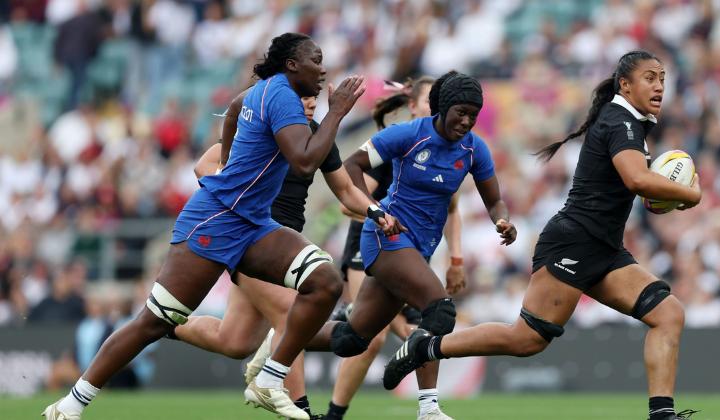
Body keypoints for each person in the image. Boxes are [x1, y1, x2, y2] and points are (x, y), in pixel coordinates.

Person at [43, 32, 386, 420]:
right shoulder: (281, 97)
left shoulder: (264, 91)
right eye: (315, 59)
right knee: (153, 322)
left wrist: (228, 155)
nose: (323, 69)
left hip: (256, 225)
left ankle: (270, 379)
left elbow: (236, 109)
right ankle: (70, 406)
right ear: (292, 65)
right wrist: (338, 110)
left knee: (323, 283)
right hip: (217, 221)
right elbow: (304, 161)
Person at [382, 51, 701, 420]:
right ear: (625, 85)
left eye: (662, 77)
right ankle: (427, 347)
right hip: (574, 244)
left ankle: (662, 414)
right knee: (525, 339)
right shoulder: (621, 121)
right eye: (649, 77)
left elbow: (637, 186)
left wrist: (661, 195)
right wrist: (689, 193)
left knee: (668, 313)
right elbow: (636, 179)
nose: (659, 85)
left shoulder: (629, 122)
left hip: (604, 249)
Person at [304, 70, 516, 420]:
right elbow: (351, 166)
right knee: (439, 310)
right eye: (460, 112)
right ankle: (426, 405)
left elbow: (494, 201)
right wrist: (371, 210)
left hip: (419, 249)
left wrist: (502, 221)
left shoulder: (475, 149)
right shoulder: (406, 135)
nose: (466, 121)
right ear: (442, 107)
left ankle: (280, 341)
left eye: (473, 116)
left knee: (352, 339)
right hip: (385, 237)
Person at [174, 93, 395, 419]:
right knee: (294, 314)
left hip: (286, 245)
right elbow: (204, 165)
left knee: (235, 340)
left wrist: (377, 211)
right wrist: (235, 200)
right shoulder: (261, 126)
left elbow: (347, 191)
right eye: (302, 96)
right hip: (249, 239)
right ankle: (300, 408)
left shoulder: (319, 135)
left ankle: (165, 323)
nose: (309, 102)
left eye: (313, 97)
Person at [324, 77, 466, 420]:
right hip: (373, 240)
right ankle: (333, 411)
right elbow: (349, 200)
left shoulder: (449, 150)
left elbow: (451, 208)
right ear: (413, 105)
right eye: (432, 102)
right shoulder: (399, 143)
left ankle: (428, 406)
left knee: (421, 323)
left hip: (411, 249)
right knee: (371, 334)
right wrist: (381, 213)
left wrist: (457, 258)